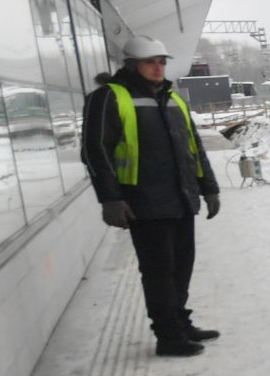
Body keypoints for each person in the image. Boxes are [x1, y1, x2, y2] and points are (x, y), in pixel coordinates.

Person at [80, 34, 221, 357]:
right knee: (159, 271)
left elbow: (193, 148)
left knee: (181, 267)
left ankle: (180, 322)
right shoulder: (108, 98)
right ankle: (168, 336)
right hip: (143, 202)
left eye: (161, 62)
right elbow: (94, 151)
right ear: (132, 65)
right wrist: (110, 199)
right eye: (150, 62)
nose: (158, 68)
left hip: (182, 198)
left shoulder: (173, 98)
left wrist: (209, 187)